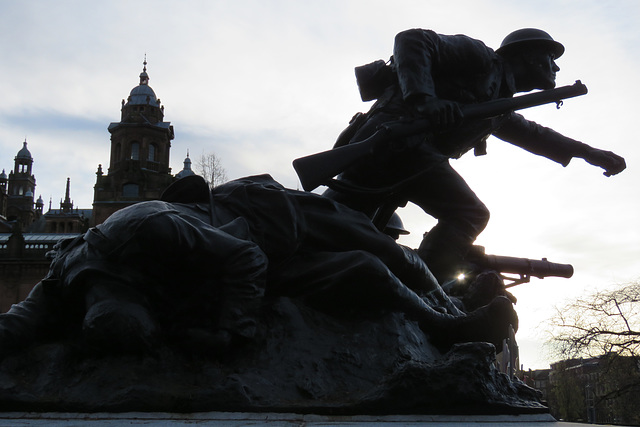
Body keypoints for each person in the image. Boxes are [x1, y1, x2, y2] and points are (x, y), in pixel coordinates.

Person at [0, 175, 516, 357]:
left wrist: (232, 333)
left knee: (386, 249)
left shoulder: (142, 227)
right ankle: (450, 328)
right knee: (362, 268)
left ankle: (452, 301)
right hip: (248, 271)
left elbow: (243, 255)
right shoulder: (68, 286)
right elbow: (15, 324)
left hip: (268, 217)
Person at [324, 28, 626, 283]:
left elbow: (533, 133)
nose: (556, 68)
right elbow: (412, 40)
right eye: (550, 59)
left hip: (400, 156)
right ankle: (421, 287)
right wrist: (424, 100)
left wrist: (588, 152)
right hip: (394, 143)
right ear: (529, 56)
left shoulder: (498, 102)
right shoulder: (481, 59)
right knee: (469, 214)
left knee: (334, 223)